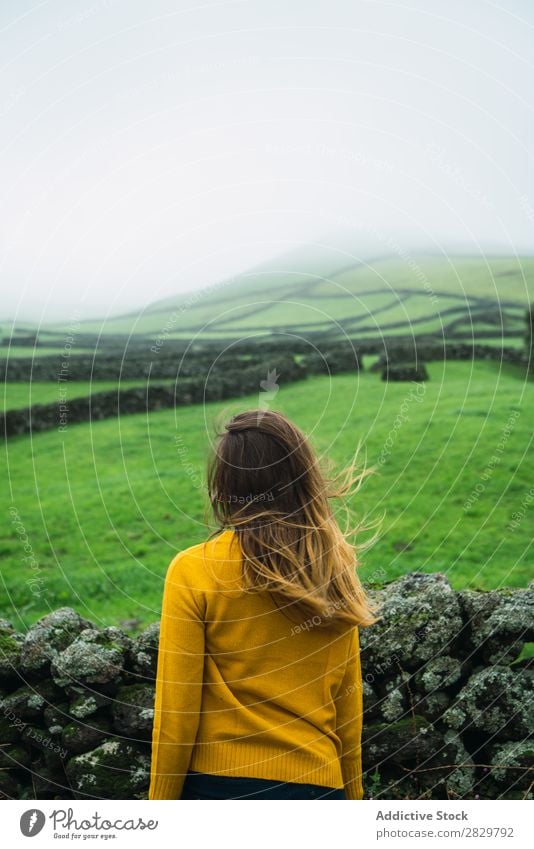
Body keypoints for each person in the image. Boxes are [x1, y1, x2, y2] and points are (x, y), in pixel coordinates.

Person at [148, 409, 378, 800]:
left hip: (219, 791)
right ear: (301, 478)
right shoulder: (331, 572)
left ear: (224, 483)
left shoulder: (194, 571)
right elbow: (347, 709)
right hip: (319, 792)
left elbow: (177, 712)